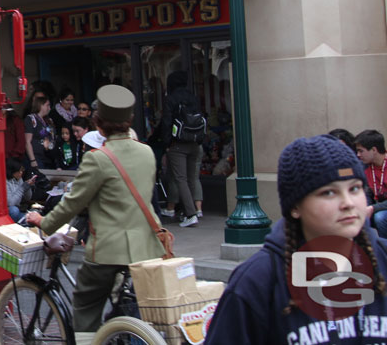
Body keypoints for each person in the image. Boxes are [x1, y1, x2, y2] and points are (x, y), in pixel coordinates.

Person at [205, 135, 387, 343]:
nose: (348, 203)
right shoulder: (257, 282)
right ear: (295, 207)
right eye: (328, 193)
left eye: (354, 188)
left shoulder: (382, 258)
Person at [26, 85, 165, 335]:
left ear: (98, 123)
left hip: (109, 251)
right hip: (148, 246)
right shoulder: (147, 153)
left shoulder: (98, 158)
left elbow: (72, 203)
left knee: (86, 305)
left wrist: (43, 221)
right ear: (130, 120)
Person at [159, 71, 203, 228]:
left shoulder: (170, 99)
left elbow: (166, 122)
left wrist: (166, 143)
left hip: (178, 143)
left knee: (180, 179)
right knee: (192, 178)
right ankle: (194, 210)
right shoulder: (193, 97)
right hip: (195, 141)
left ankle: (190, 214)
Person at [355, 129, 387, 238]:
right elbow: (367, 194)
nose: (358, 155)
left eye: (361, 151)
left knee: (380, 217)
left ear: (374, 150)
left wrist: (373, 208)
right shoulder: (365, 167)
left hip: (380, 210)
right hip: (378, 206)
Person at [23, 90, 55, 176]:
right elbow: (27, 141)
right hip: (36, 158)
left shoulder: (49, 120)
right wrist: (33, 160)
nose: (49, 108)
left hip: (48, 157)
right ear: (40, 105)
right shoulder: (31, 119)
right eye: (47, 105)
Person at [5, 158, 33, 223]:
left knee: (30, 220)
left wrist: (28, 187)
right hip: (8, 210)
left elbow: (28, 198)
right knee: (14, 210)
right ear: (12, 171)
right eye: (19, 171)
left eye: (22, 170)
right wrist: (22, 188)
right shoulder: (5, 181)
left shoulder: (19, 179)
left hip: (19, 209)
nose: (21, 173)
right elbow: (10, 203)